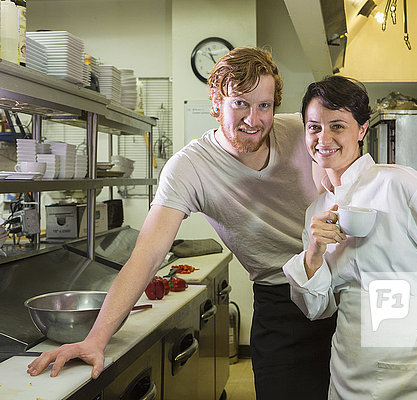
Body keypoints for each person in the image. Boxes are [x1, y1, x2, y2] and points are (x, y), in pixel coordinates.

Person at [27, 47, 336, 400]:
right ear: (217, 103)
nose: (254, 118)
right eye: (240, 103)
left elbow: (357, 178)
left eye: (264, 105)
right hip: (281, 298)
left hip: (342, 283)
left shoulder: (304, 132)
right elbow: (147, 254)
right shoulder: (190, 167)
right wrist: (95, 339)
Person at [282, 76, 417, 399]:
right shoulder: (319, 209)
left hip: (411, 368)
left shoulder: (404, 186)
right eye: (314, 127)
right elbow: (318, 307)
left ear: (362, 129)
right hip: (348, 367)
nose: (323, 138)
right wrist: (314, 252)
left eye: (338, 126)